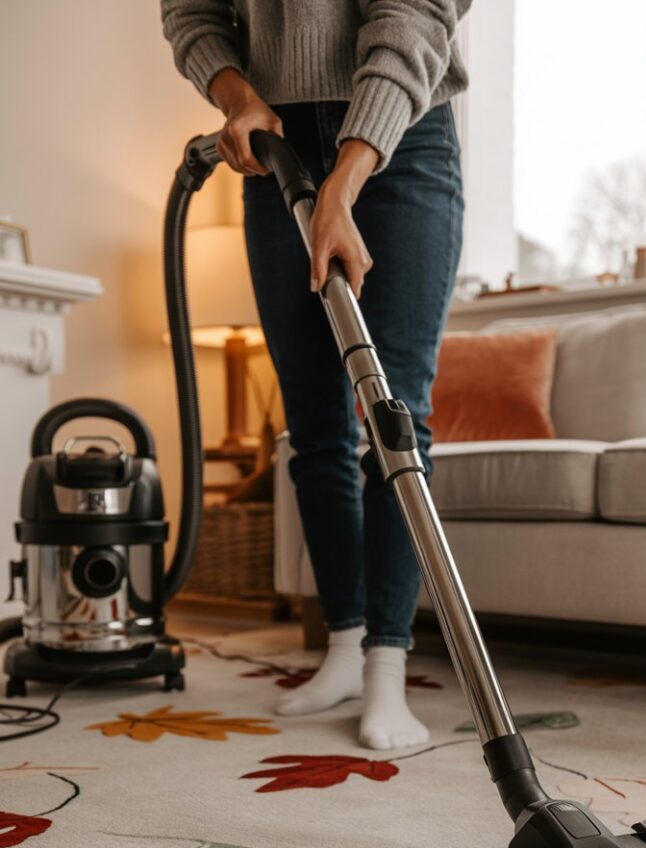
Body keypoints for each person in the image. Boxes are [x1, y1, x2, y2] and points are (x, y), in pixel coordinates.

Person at [162, 0, 469, 748]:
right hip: (274, 140)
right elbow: (191, 10)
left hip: (403, 137)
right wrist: (238, 97)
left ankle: (387, 671)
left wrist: (345, 178)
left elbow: (416, 13)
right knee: (314, 425)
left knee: (394, 415)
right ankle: (342, 645)